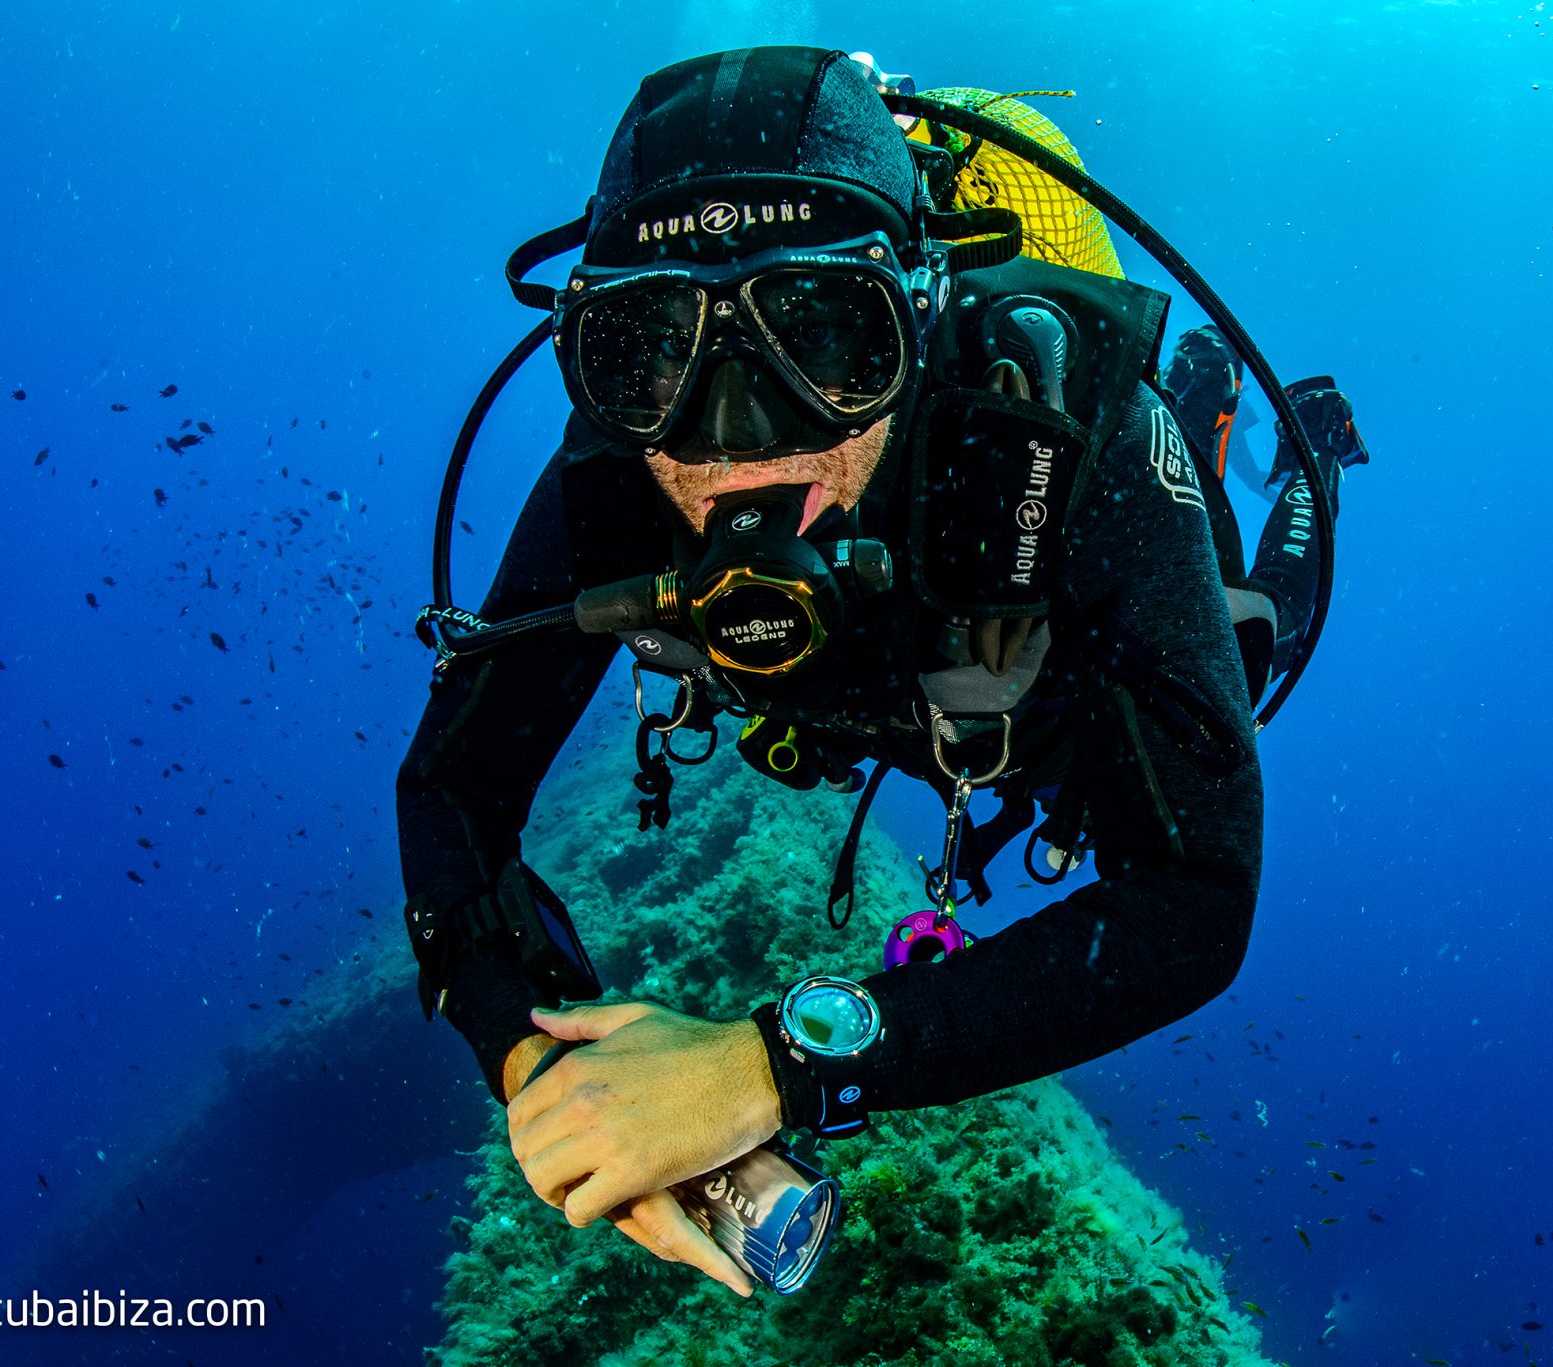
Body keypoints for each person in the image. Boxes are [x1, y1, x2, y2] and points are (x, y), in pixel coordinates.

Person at [395, 45, 1369, 1297]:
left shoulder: (1069, 439)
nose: (737, 437)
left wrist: (772, 1064)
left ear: (915, 310)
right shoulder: (613, 472)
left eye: (822, 334)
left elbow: (1193, 899)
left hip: (1049, 685)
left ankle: (1285, 445)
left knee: (1253, 622)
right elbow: (450, 793)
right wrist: (540, 1066)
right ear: (599, 355)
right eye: (651, 349)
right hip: (907, 701)